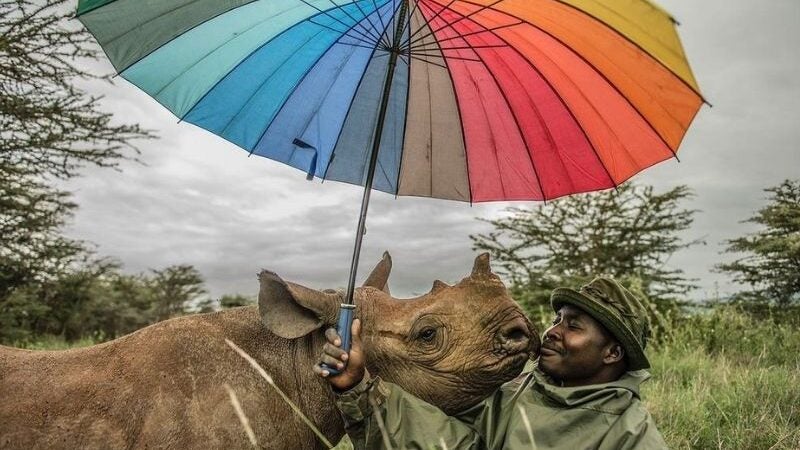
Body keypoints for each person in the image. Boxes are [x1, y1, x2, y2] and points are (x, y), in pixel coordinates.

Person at [314, 277, 668, 449]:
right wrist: (357, 386)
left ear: (612, 353)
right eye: (557, 319)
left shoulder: (631, 435)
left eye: (573, 326)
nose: (552, 331)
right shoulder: (514, 395)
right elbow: (445, 444)